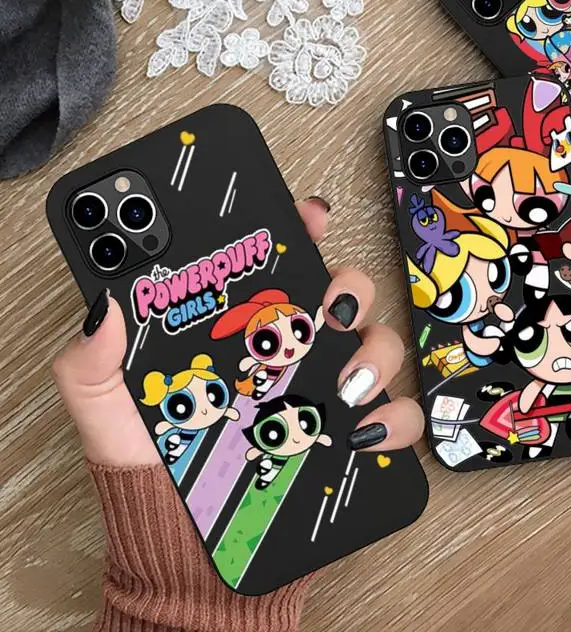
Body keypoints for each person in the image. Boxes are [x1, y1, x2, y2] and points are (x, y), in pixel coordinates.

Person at [51, 196, 424, 632]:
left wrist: (186, 599)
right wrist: (210, 600)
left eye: (297, 330)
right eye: (268, 342)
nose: (287, 346)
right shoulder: (237, 404)